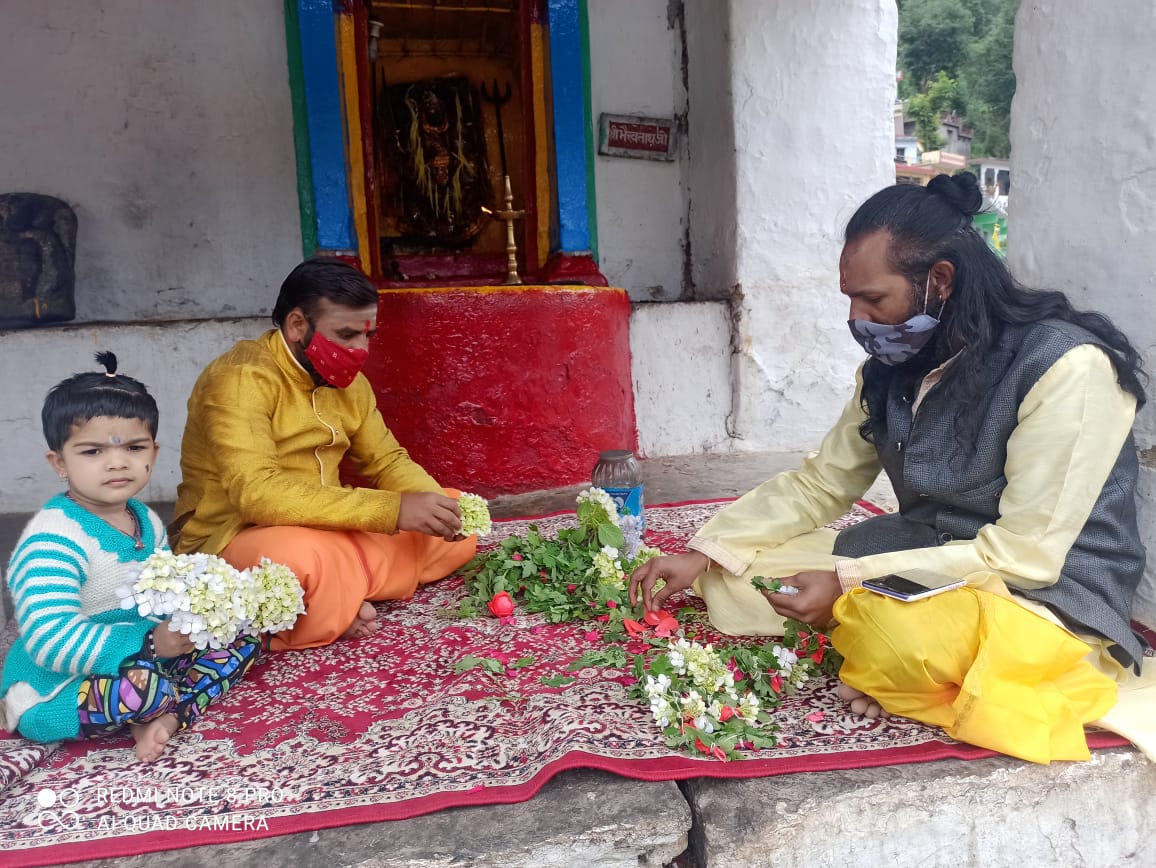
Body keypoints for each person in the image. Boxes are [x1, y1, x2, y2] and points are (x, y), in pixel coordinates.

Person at [630, 173, 1156, 764]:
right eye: (851, 299)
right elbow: (820, 483)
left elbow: (1025, 557)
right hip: (926, 564)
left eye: (873, 300)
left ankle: (951, 668)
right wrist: (706, 550)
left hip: (1044, 601)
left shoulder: (1067, 367)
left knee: (894, 635)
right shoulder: (888, 369)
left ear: (939, 281)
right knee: (741, 573)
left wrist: (853, 583)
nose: (857, 319)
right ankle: (895, 663)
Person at [172, 258, 476, 649]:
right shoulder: (239, 379)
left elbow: (386, 460)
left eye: (368, 335)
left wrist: (435, 508)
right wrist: (392, 510)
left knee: (453, 513)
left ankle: (338, 597)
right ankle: (338, 590)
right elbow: (257, 494)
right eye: (347, 334)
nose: (360, 350)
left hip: (328, 524)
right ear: (298, 325)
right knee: (302, 559)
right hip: (235, 534)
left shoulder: (350, 383)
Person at [0, 353, 259, 762]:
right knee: (143, 690)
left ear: (152, 454)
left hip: (141, 658)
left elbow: (161, 597)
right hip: (59, 684)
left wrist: (198, 618)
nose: (118, 462)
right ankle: (159, 706)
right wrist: (151, 646)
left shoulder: (147, 522)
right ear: (59, 463)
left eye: (134, 447)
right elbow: (49, 639)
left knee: (240, 639)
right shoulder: (54, 539)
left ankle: (165, 719)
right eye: (92, 451)